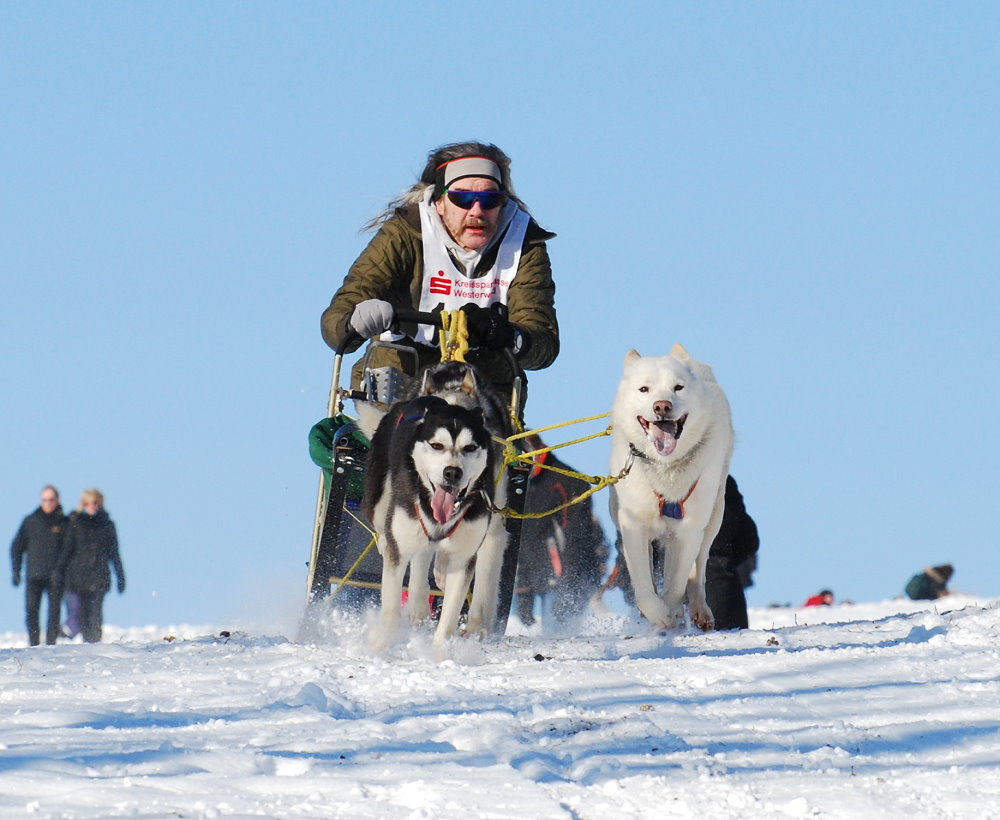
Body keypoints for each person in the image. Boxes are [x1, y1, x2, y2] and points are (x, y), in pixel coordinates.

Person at [320, 141, 559, 411]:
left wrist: (508, 335)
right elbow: (336, 321)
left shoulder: (523, 245)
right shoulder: (405, 235)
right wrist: (355, 320)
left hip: (481, 403)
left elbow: (544, 344)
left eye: (491, 199)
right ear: (440, 202)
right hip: (398, 392)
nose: (477, 211)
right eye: (463, 198)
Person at [514, 435, 610, 628]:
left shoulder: (568, 481)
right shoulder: (517, 485)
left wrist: (569, 585)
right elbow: (522, 540)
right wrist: (523, 589)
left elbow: (576, 538)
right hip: (533, 577)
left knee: (557, 639)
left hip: (566, 579)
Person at [53, 489, 126, 643]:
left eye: (95, 503)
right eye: (88, 503)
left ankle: (94, 648)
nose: (92, 506)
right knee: (77, 613)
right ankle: (68, 636)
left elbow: (114, 553)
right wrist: (58, 571)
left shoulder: (107, 525)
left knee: (94, 616)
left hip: (99, 577)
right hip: (76, 577)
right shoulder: (75, 522)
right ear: (83, 504)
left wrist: (120, 576)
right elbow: (67, 549)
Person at [10, 485, 67, 646]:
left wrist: (63, 570)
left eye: (51, 500)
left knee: (54, 612)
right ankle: (34, 643)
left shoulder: (65, 522)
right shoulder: (30, 521)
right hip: (34, 574)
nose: (48, 503)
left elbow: (70, 549)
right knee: (31, 611)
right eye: (45, 500)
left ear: (57, 500)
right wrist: (16, 571)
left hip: (56, 575)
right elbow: (16, 547)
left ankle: (51, 643)